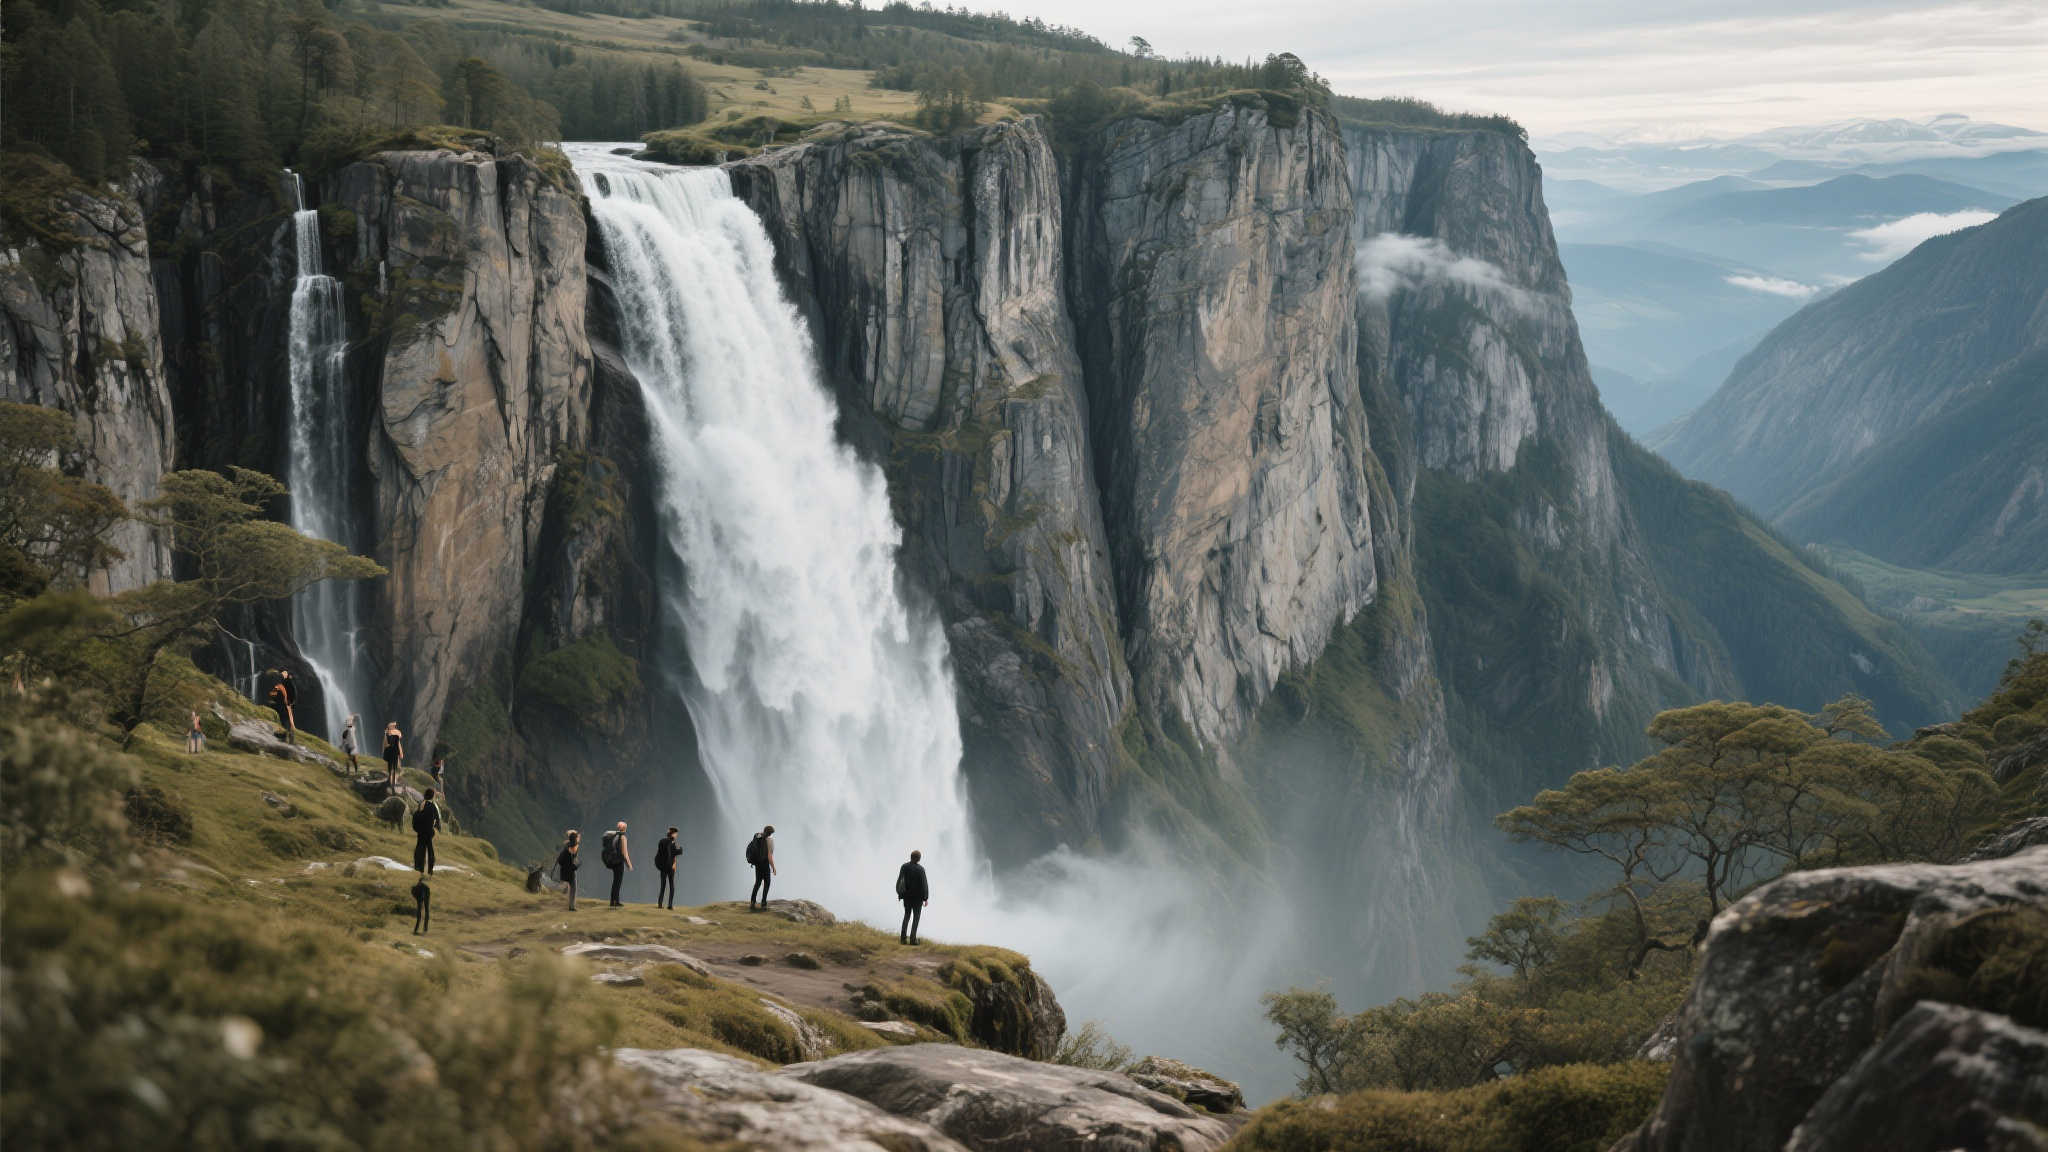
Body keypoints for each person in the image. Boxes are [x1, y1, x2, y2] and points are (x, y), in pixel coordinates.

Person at [896, 849, 930, 945]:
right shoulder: (921, 870)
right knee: (916, 918)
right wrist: (925, 898)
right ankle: (913, 940)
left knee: (906, 916)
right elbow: (924, 885)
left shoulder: (904, 867)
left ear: (911, 857)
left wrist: (900, 894)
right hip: (917, 898)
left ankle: (903, 939)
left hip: (907, 897)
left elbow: (900, 881)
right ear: (919, 859)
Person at [746, 824, 776, 911]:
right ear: (770, 833)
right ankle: (763, 903)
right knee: (767, 883)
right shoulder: (769, 841)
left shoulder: (757, 836)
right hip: (765, 864)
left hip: (757, 864)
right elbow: (769, 856)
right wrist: (773, 867)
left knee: (758, 883)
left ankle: (752, 902)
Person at [413, 787, 442, 875]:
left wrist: (417, 828)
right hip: (429, 832)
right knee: (430, 851)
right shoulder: (433, 806)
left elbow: (416, 816)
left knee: (419, 849)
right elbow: (437, 819)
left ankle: (419, 867)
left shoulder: (421, 804)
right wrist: (437, 829)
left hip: (421, 832)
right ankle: (430, 869)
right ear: (432, 796)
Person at [602, 821, 631, 907]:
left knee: (615, 882)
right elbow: (625, 853)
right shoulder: (623, 838)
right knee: (617, 882)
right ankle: (615, 902)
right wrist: (629, 865)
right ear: (625, 828)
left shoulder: (614, 835)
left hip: (613, 861)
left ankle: (614, 901)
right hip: (619, 862)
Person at [653, 827, 681, 910]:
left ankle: (660, 904)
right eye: (676, 834)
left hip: (663, 866)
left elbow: (663, 853)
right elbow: (673, 854)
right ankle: (670, 905)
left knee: (663, 885)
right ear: (673, 834)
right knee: (671, 885)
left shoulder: (662, 841)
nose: (676, 835)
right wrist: (680, 850)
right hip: (670, 867)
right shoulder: (672, 842)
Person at [267, 671, 297, 744]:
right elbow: (293, 695)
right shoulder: (289, 685)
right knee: (288, 721)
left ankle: (284, 737)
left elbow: (274, 694)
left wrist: (272, 698)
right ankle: (290, 738)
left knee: (284, 721)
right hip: (288, 706)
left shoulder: (281, 686)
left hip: (283, 706)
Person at [557, 830, 581, 911]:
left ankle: (570, 905)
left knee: (568, 886)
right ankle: (571, 907)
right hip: (570, 870)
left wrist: (574, 835)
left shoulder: (567, 845)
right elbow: (576, 844)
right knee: (573, 888)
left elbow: (569, 833)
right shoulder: (574, 847)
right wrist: (577, 838)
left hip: (565, 869)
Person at [382, 722, 404, 794]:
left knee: (393, 767)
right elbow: (385, 743)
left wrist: (400, 752)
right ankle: (390, 781)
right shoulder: (388, 733)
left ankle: (392, 782)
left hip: (394, 751)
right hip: (391, 751)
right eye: (393, 726)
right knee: (391, 766)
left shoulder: (396, 733)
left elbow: (398, 743)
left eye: (394, 726)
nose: (394, 727)